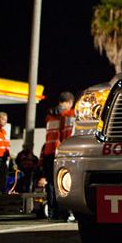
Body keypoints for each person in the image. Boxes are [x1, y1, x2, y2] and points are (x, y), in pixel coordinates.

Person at [41, 91, 77, 221]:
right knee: (65, 183)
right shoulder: (70, 114)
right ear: (70, 102)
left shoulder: (50, 115)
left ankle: (53, 213)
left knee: (51, 184)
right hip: (62, 152)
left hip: (48, 152)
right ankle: (67, 213)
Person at [0, 112, 11, 193]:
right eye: (3, 119)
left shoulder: (4, 132)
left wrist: (8, 154)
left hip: (3, 158)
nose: (5, 121)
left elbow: (6, 145)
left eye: (6, 120)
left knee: (3, 177)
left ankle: (1, 193)